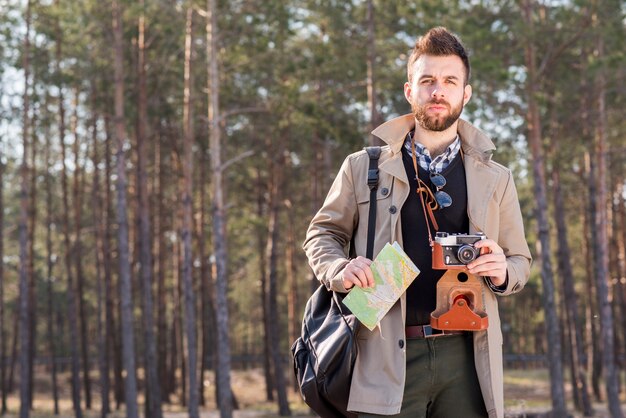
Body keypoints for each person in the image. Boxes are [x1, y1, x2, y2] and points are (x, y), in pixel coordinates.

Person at [303, 27, 531, 418]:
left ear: (465, 93)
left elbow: (520, 261)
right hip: (383, 355)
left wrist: (502, 270)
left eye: (449, 81)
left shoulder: (497, 178)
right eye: (427, 81)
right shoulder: (364, 167)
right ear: (410, 91)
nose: (437, 91)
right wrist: (340, 267)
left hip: (467, 359)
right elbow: (322, 234)